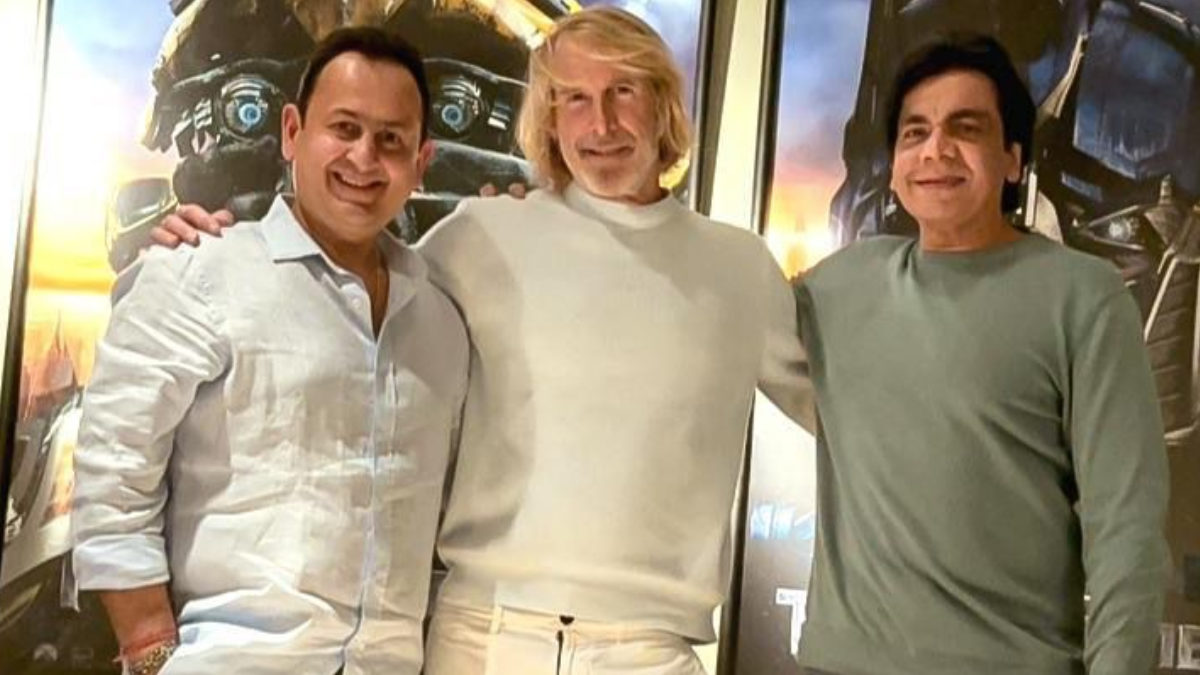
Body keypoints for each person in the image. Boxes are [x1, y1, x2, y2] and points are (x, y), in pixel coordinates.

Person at [151, 7, 815, 674]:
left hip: (650, 651)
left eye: (624, 91)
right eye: (575, 99)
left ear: (663, 105)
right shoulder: (481, 235)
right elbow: (333, 298)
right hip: (482, 638)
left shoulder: (741, 268)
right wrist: (212, 246)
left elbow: (842, 417)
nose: (602, 124)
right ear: (548, 119)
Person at [71, 27, 467, 675]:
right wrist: (151, 654)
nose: (364, 158)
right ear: (291, 132)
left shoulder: (441, 322)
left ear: (421, 162)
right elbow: (113, 478)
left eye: (391, 139)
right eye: (344, 128)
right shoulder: (198, 271)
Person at [794, 34, 1170, 675]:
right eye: (915, 132)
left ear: (1014, 160)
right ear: (894, 163)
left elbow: (1126, 523)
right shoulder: (837, 286)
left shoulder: (1082, 295)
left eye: (965, 129)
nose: (935, 150)